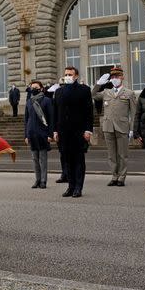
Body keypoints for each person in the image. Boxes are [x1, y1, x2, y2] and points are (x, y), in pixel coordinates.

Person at [91, 67, 137, 187]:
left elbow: (134, 113)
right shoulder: (106, 92)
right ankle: (114, 176)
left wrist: (132, 129)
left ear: (122, 77)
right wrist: (98, 84)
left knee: (122, 154)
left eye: (117, 77)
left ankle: (121, 177)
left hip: (122, 127)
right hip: (108, 127)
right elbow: (93, 95)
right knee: (111, 154)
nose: (115, 79)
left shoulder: (129, 93)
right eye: (113, 77)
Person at [53, 66, 93, 198]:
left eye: (70, 74)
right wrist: (54, 131)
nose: (67, 76)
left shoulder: (84, 90)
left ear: (76, 76)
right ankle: (70, 186)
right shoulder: (59, 92)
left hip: (78, 131)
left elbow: (89, 112)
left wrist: (88, 130)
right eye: (66, 74)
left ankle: (78, 187)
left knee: (78, 160)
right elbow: (55, 113)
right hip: (63, 132)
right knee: (67, 160)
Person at [24, 80, 54, 189]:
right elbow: (26, 119)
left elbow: (51, 119)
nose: (33, 89)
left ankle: (43, 180)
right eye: (32, 87)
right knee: (34, 159)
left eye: (36, 87)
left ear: (41, 88)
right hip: (32, 134)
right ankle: (37, 179)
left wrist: (50, 134)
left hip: (43, 134)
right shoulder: (29, 101)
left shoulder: (47, 101)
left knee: (43, 159)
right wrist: (26, 135)